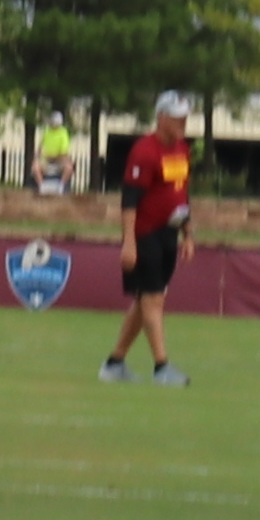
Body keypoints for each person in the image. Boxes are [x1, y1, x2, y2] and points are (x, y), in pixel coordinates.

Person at [102, 93, 195, 382]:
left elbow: (180, 193)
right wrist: (129, 242)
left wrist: (187, 233)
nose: (183, 122)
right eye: (177, 116)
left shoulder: (181, 149)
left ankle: (114, 363)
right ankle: (161, 367)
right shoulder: (144, 151)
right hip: (145, 235)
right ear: (161, 117)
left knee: (147, 300)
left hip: (168, 232)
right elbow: (130, 200)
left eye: (185, 116)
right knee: (153, 300)